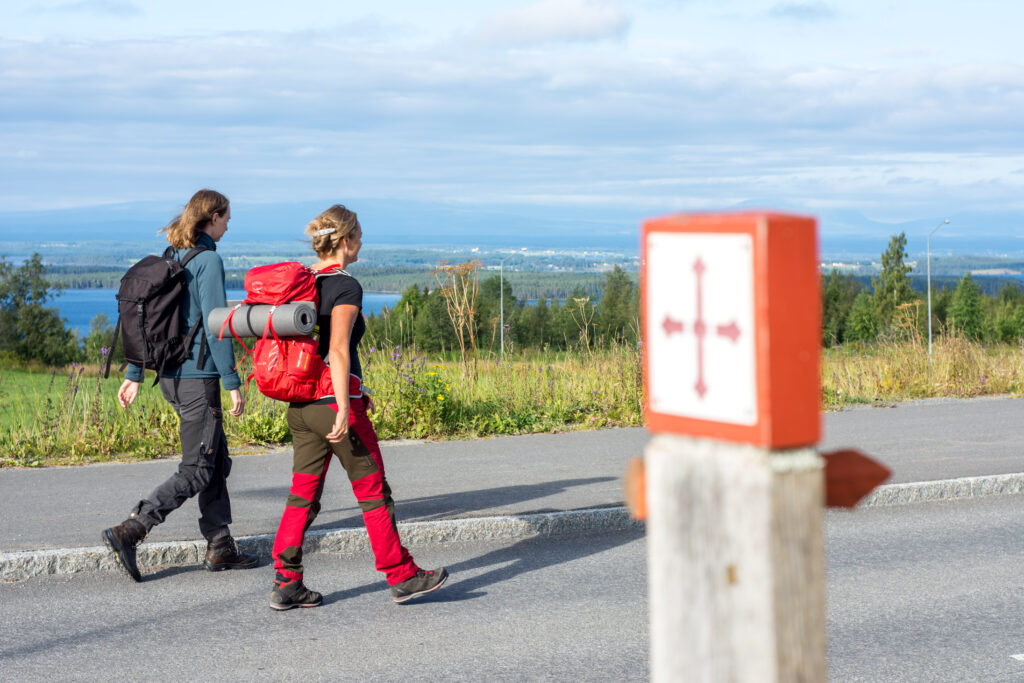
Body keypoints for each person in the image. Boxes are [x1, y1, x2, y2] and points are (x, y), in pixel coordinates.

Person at [269, 204, 447, 610]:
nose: (362, 243)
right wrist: (346, 410)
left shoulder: (302, 283)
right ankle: (401, 575)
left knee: (302, 496)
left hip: (300, 405)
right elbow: (337, 349)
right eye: (360, 236)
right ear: (346, 241)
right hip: (333, 401)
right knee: (373, 491)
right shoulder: (345, 286)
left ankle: (286, 581)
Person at [102, 188, 258, 582]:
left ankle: (220, 545)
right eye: (226, 217)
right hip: (197, 379)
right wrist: (231, 380)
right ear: (212, 217)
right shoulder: (207, 260)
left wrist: (134, 373)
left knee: (216, 460)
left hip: (170, 377)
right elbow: (216, 325)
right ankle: (132, 528)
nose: (228, 224)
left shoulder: (173, 257)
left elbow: (147, 323)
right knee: (197, 468)